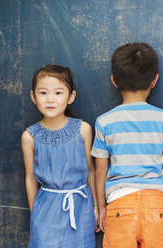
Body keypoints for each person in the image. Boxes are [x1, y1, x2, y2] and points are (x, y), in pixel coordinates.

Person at [92, 42, 163, 248]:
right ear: (154, 80)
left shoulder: (104, 122)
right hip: (157, 206)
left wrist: (100, 207)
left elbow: (100, 171)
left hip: (118, 205)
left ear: (114, 81)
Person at [21, 64, 98, 248]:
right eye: (43, 93)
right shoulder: (29, 136)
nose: (50, 99)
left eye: (58, 93)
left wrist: (95, 206)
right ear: (33, 96)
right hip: (46, 210)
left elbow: (91, 170)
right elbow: (30, 178)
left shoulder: (83, 129)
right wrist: (35, 213)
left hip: (81, 207)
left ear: (71, 96)